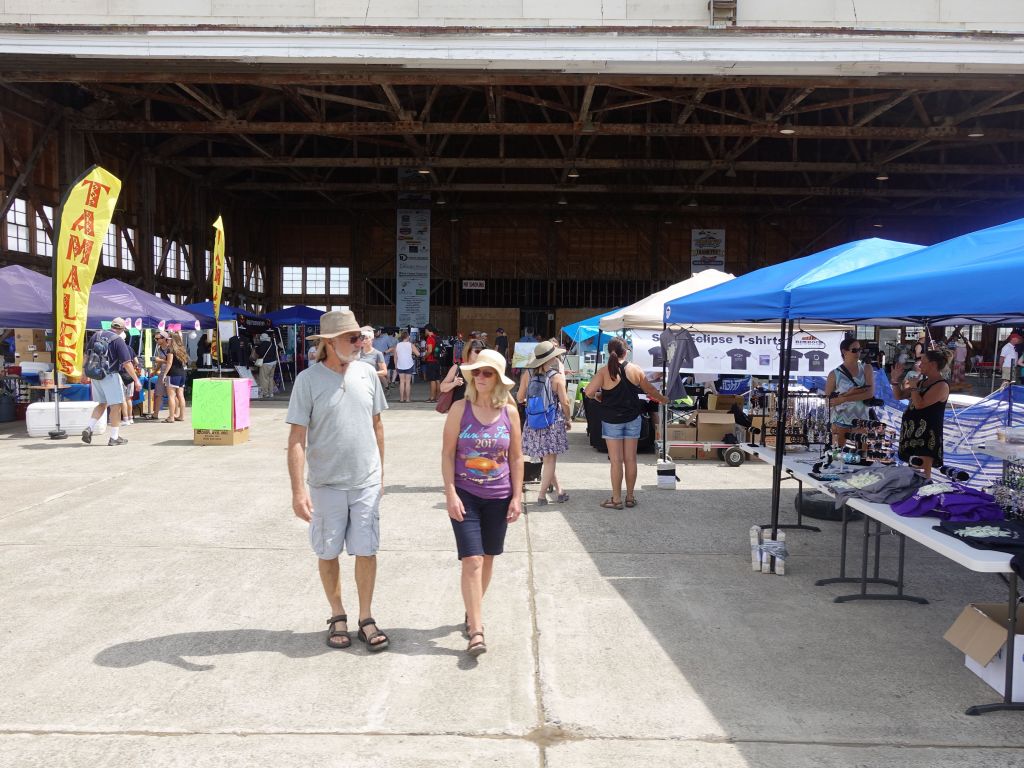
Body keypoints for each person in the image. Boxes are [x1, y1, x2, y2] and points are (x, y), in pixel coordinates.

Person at [287, 309, 389, 652]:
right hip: (326, 484)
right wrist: (298, 490)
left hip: (366, 482)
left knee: (367, 550)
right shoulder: (308, 380)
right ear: (330, 343)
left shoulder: (368, 374)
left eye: (360, 337)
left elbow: (377, 426)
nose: (360, 343)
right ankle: (337, 614)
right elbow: (297, 439)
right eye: (353, 338)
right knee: (328, 551)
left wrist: (381, 473)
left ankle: (366, 616)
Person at [441, 348, 523, 657]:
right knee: (472, 560)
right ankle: (477, 629)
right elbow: (448, 454)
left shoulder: (510, 412)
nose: (480, 377)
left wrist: (517, 496)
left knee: (488, 558)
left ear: (499, 378)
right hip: (466, 495)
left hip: (499, 497)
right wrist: (449, 492)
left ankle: (471, 610)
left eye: (487, 372)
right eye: (477, 371)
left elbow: (516, 457)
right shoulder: (459, 409)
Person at [584, 337, 668, 509]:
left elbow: (589, 391)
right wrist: (663, 399)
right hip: (633, 418)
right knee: (631, 459)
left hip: (611, 420)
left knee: (616, 461)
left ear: (610, 352)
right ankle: (630, 497)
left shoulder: (604, 371)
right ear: (626, 351)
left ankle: (616, 499)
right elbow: (650, 390)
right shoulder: (635, 369)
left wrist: (598, 396)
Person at [519, 340, 572, 506]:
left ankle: (560, 491)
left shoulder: (528, 374)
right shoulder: (556, 377)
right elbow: (565, 402)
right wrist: (568, 419)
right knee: (550, 460)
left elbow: (519, 397)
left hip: (534, 423)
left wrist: (533, 403)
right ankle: (541, 496)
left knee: (547, 458)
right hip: (551, 423)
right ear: (550, 359)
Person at [81, 318, 141, 446]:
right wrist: (136, 380)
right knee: (116, 406)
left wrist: (83, 373)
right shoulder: (118, 340)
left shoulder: (96, 335)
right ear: (122, 329)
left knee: (102, 404)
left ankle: (89, 427)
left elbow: (86, 355)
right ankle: (114, 437)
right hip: (110, 376)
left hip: (95, 376)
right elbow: (127, 363)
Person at [891, 349, 950, 479]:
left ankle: (922, 497)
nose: (919, 365)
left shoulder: (941, 385)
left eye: (923, 362)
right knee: (912, 473)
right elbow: (899, 395)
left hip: (926, 437)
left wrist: (913, 387)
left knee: (921, 476)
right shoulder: (922, 382)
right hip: (911, 433)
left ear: (933, 365)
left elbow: (920, 405)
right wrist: (895, 381)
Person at [824, 337, 875, 448]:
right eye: (854, 350)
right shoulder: (834, 374)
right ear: (844, 351)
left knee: (863, 456)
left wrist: (844, 399)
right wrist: (848, 394)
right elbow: (828, 402)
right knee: (836, 455)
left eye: (860, 349)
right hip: (840, 419)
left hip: (861, 419)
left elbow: (870, 393)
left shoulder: (866, 368)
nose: (858, 353)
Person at [440, 340, 485, 404]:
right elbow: (442, 388)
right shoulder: (457, 367)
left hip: (478, 408)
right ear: (468, 352)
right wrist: (454, 383)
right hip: (460, 409)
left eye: (482, 352)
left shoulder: (484, 368)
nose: (480, 354)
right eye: (477, 351)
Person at [161, 333, 189, 423]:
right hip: (182, 374)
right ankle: (181, 416)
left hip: (173, 374)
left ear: (172, 340)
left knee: (171, 396)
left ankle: (171, 417)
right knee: (181, 395)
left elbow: (169, 363)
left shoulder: (170, 350)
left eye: (168, 339)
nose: (167, 340)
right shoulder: (182, 349)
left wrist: (164, 374)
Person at [145, 331, 171, 420]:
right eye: (155, 338)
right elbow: (161, 362)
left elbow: (170, 363)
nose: (155, 340)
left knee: (173, 395)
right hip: (162, 373)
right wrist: (155, 371)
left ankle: (174, 414)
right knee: (158, 393)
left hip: (170, 373)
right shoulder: (160, 348)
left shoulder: (170, 348)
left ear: (164, 338)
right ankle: (155, 414)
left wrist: (159, 360)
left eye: (157, 338)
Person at [394, 331, 419, 403]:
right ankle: (407, 399)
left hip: (400, 365)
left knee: (402, 382)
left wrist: (396, 365)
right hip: (409, 364)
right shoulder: (411, 345)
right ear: (408, 337)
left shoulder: (397, 345)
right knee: (408, 382)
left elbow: (395, 357)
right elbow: (418, 354)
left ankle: (401, 399)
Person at [254, 332, 279, 399]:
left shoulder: (262, 344)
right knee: (271, 378)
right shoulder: (272, 344)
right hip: (273, 363)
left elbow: (260, 353)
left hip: (266, 363)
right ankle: (271, 393)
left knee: (264, 378)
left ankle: (265, 393)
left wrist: (256, 348)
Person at [422, 325, 441, 402]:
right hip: (437, 361)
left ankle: (432, 398)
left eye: (425, 331)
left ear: (427, 330)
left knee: (432, 380)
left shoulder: (429, 338)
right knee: (437, 379)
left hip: (431, 361)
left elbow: (429, 350)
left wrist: (424, 357)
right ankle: (438, 398)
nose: (425, 332)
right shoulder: (437, 337)